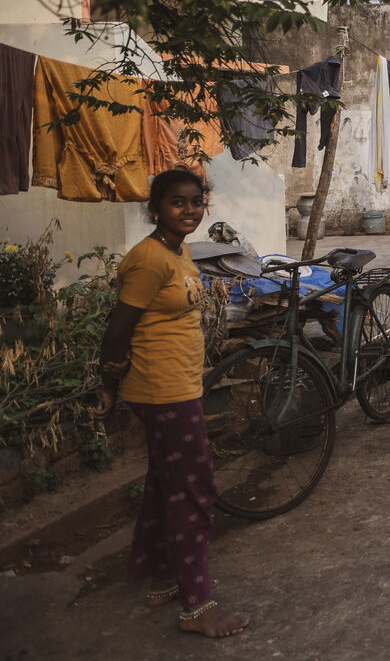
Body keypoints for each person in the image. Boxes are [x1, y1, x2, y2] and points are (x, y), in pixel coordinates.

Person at [94, 169, 249, 638]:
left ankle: (163, 576)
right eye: (178, 202)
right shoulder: (148, 260)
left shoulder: (177, 250)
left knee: (166, 484)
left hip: (179, 384)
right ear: (156, 207)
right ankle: (196, 606)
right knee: (195, 490)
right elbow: (117, 331)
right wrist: (108, 386)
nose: (190, 210)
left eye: (196, 201)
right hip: (163, 390)